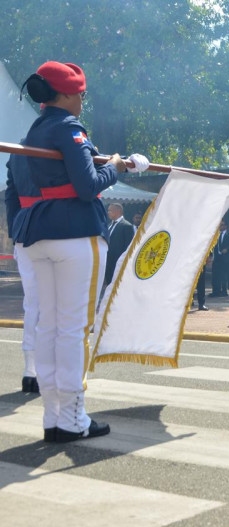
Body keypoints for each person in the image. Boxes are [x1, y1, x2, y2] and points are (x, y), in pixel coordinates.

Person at [19, 61, 148, 442]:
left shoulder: (36, 129)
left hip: (39, 233)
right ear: (66, 94)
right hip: (75, 234)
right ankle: (74, 418)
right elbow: (88, 185)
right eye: (80, 94)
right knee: (74, 329)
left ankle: (52, 416)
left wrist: (107, 160)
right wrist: (118, 166)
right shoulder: (69, 127)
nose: (82, 101)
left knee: (50, 327)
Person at [5, 142, 41, 393]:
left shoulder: (18, 150)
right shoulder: (65, 136)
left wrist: (16, 230)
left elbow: (11, 196)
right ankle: (47, 370)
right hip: (58, 230)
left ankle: (31, 371)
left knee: (33, 304)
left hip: (25, 232)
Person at [103, 202, 134, 292]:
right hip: (108, 261)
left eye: (110, 210)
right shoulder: (109, 225)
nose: (108, 212)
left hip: (118, 261)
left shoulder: (126, 226)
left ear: (118, 211)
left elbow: (128, 246)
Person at [210, 220, 229, 298]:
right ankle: (219, 291)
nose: (220, 227)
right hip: (218, 258)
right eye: (220, 225)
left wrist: (227, 249)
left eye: (222, 225)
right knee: (219, 275)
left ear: (226, 226)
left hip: (228, 258)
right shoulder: (216, 235)